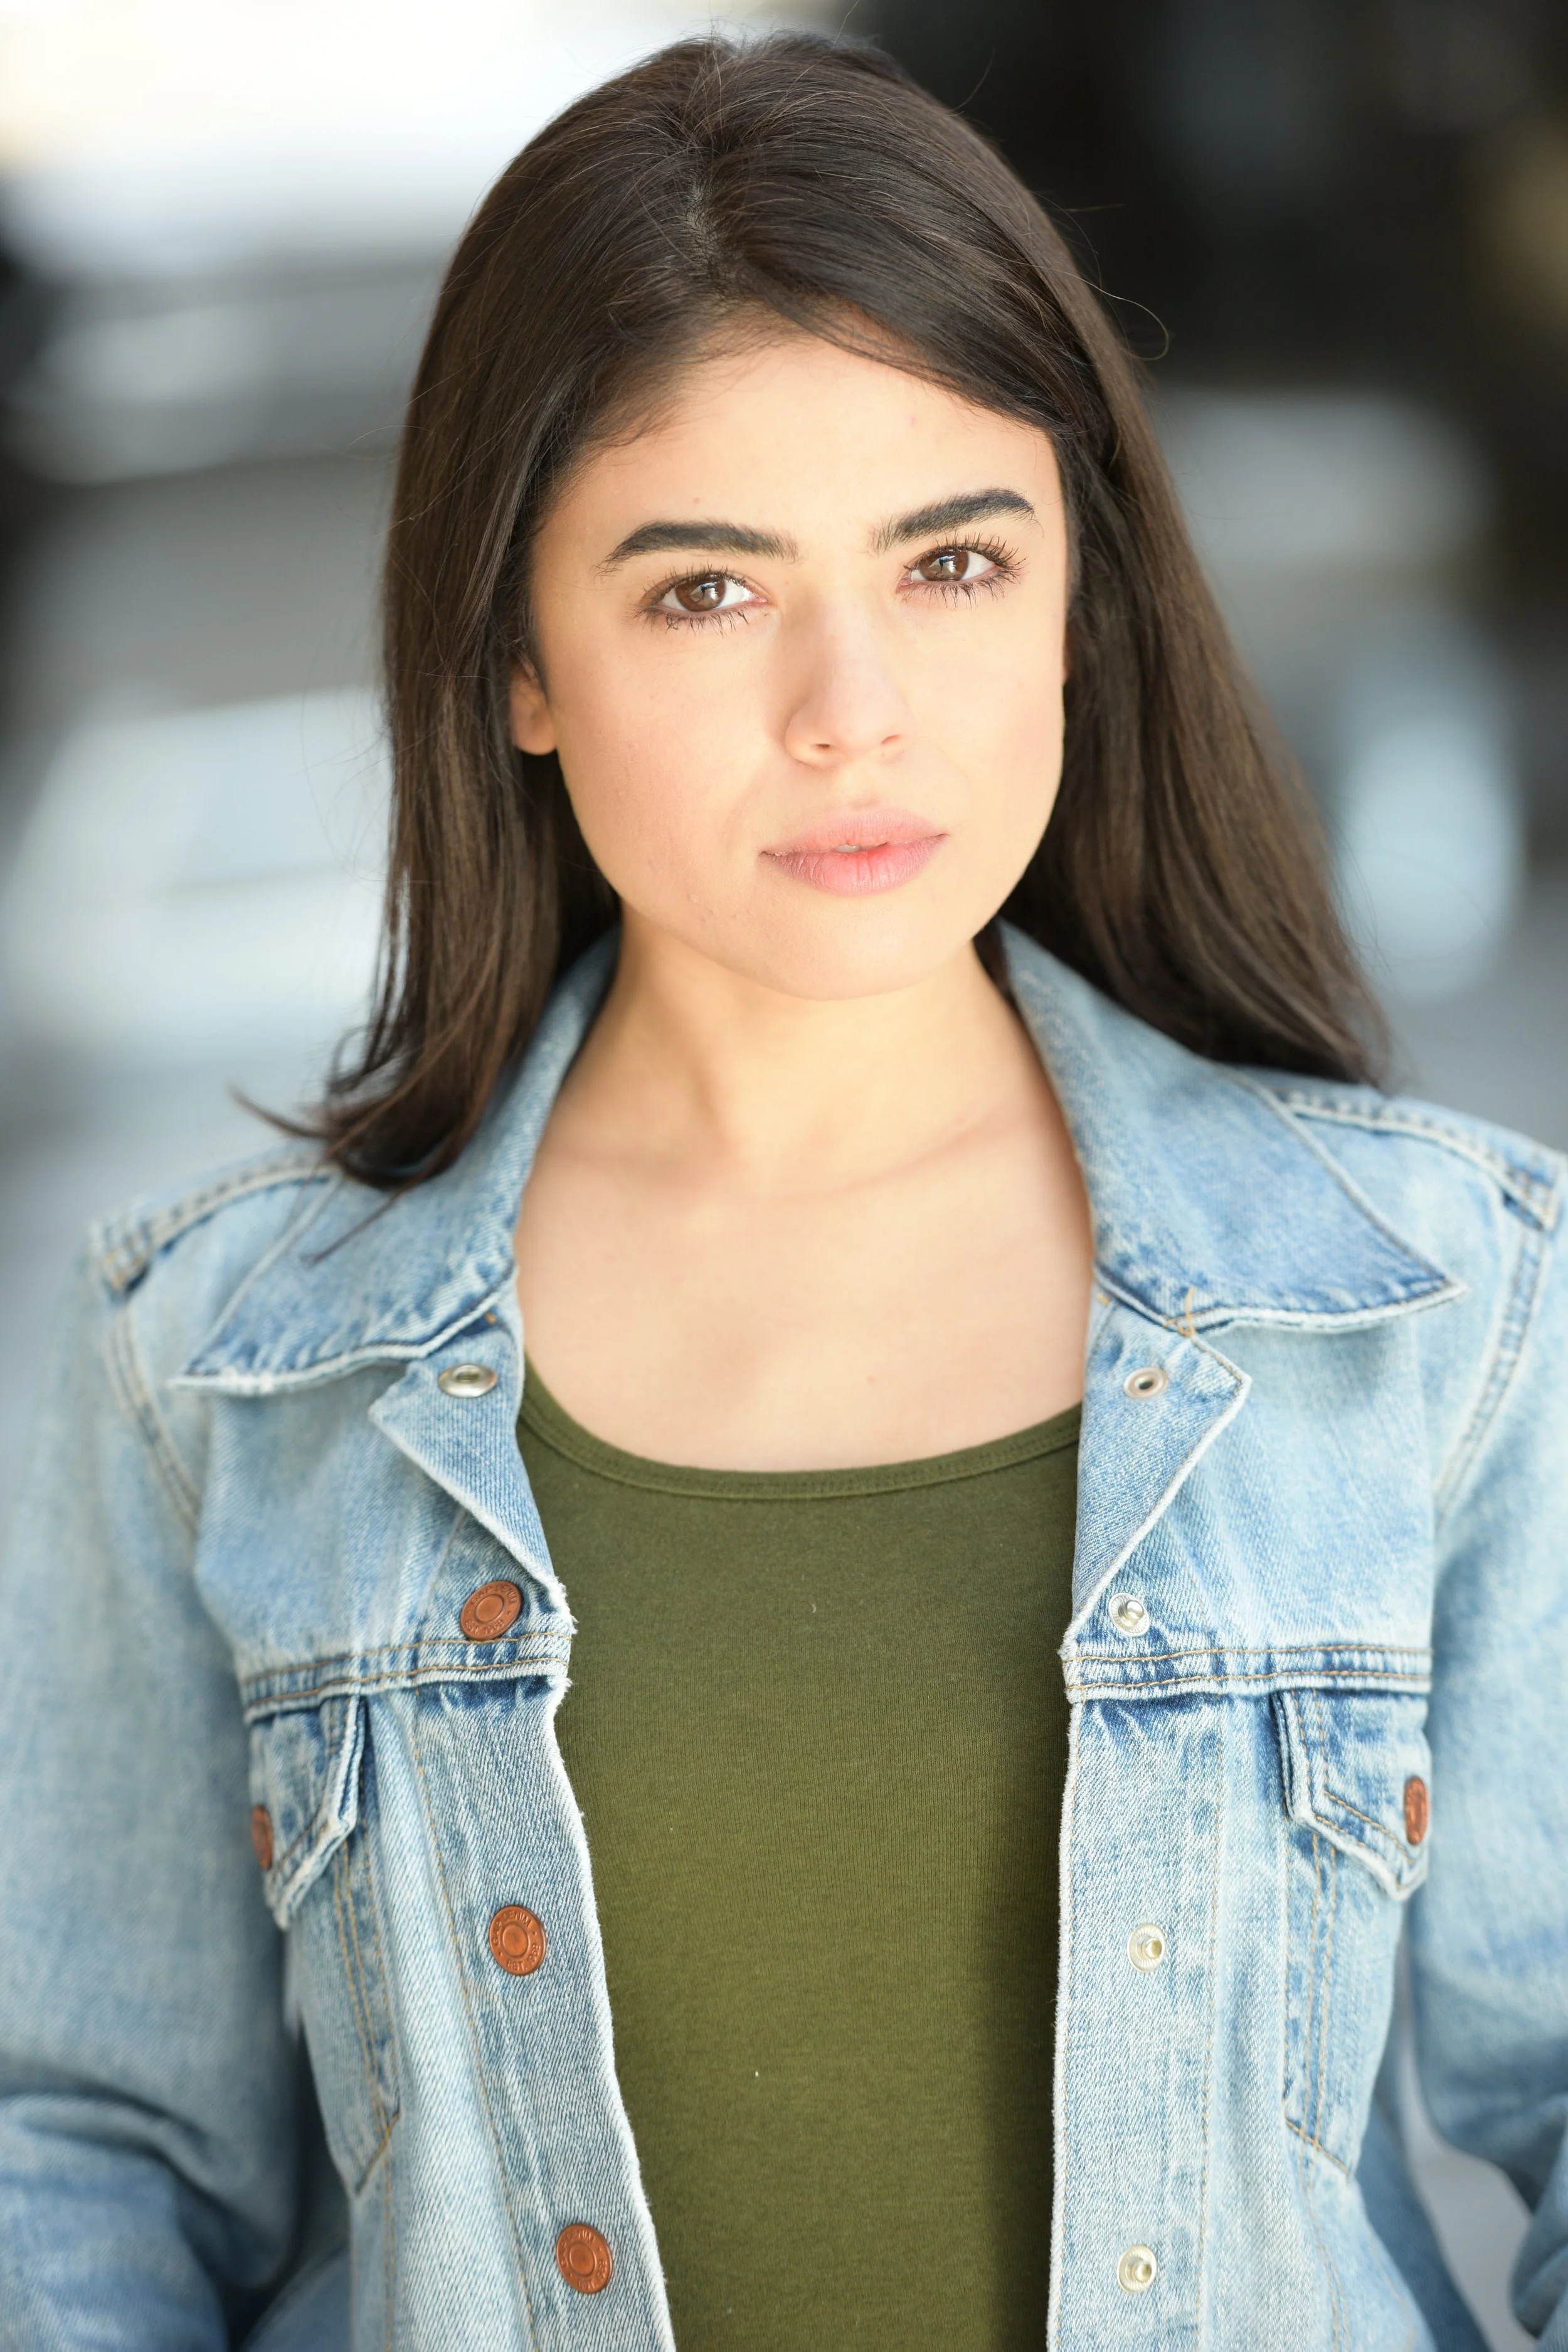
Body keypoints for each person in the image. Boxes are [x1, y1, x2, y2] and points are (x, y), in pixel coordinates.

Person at [1, 31, 1562, 2352]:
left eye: (952, 561)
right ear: (517, 658)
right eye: (706, 591)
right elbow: (87, 2158)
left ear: (1077, 597)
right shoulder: (213, 1369)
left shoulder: (1443, 1308)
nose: (853, 708)